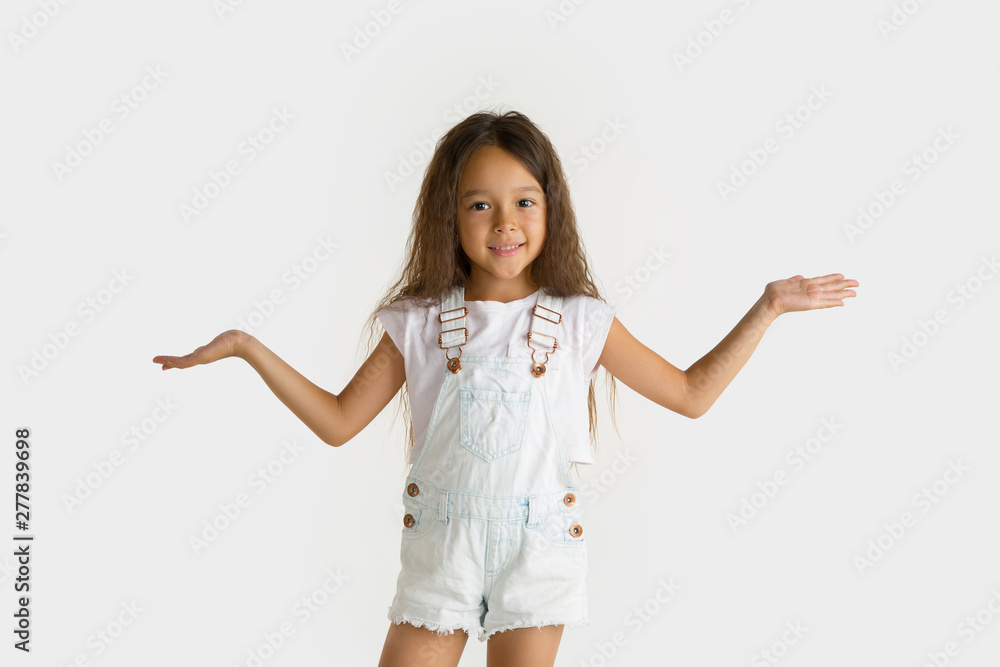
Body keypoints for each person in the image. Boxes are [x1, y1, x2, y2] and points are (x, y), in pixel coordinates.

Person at [152, 109, 858, 667]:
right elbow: (338, 422)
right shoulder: (420, 324)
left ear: (551, 208)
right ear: (450, 218)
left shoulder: (580, 321)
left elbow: (690, 394)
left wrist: (765, 309)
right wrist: (248, 348)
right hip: (441, 549)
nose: (506, 222)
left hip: (538, 550)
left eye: (524, 199)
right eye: (480, 205)